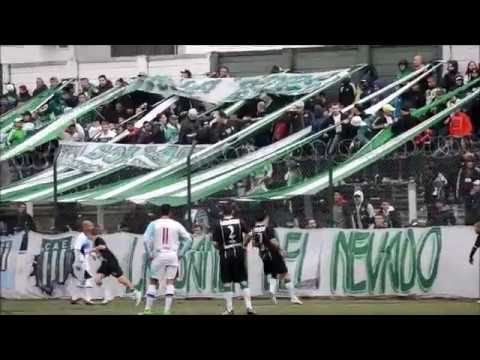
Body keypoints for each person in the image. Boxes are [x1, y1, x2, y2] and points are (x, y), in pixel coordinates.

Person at [142, 204, 193, 315]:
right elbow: (189, 239)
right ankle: (167, 310)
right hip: (172, 255)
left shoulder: (153, 224)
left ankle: (147, 309)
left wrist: (149, 253)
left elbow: (145, 240)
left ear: (160, 212)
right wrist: (181, 253)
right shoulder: (176, 224)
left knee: (153, 281)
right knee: (170, 282)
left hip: (158, 254)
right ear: (170, 212)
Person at [246, 210, 302, 305]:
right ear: (266, 218)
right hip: (273, 253)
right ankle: (293, 297)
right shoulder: (268, 228)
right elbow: (274, 242)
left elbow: (254, 244)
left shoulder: (254, 230)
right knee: (285, 274)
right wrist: (281, 250)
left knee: (274, 273)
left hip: (263, 255)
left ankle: (272, 292)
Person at [212, 202, 256, 315]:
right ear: (232, 211)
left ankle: (230, 309)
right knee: (242, 280)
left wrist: (221, 248)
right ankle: (249, 307)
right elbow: (250, 233)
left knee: (227, 282)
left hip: (226, 254)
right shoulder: (240, 221)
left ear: (222, 212)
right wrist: (244, 245)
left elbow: (215, 243)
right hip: (239, 253)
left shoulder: (218, 224)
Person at [89, 225, 142, 305]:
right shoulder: (94, 242)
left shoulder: (98, 239)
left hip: (111, 262)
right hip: (105, 263)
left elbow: (103, 247)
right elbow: (100, 252)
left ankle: (135, 292)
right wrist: (95, 255)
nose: (88, 237)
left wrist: (92, 250)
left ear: (91, 234)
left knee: (120, 279)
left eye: (88, 235)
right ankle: (107, 296)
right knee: (97, 280)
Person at [71, 220, 95, 305]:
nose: (92, 228)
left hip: (85, 260)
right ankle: (87, 299)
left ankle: (75, 297)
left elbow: (86, 249)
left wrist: (92, 253)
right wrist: (79, 261)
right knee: (86, 279)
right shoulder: (81, 237)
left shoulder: (87, 237)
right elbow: (77, 249)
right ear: (85, 227)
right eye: (90, 226)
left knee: (81, 280)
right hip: (81, 261)